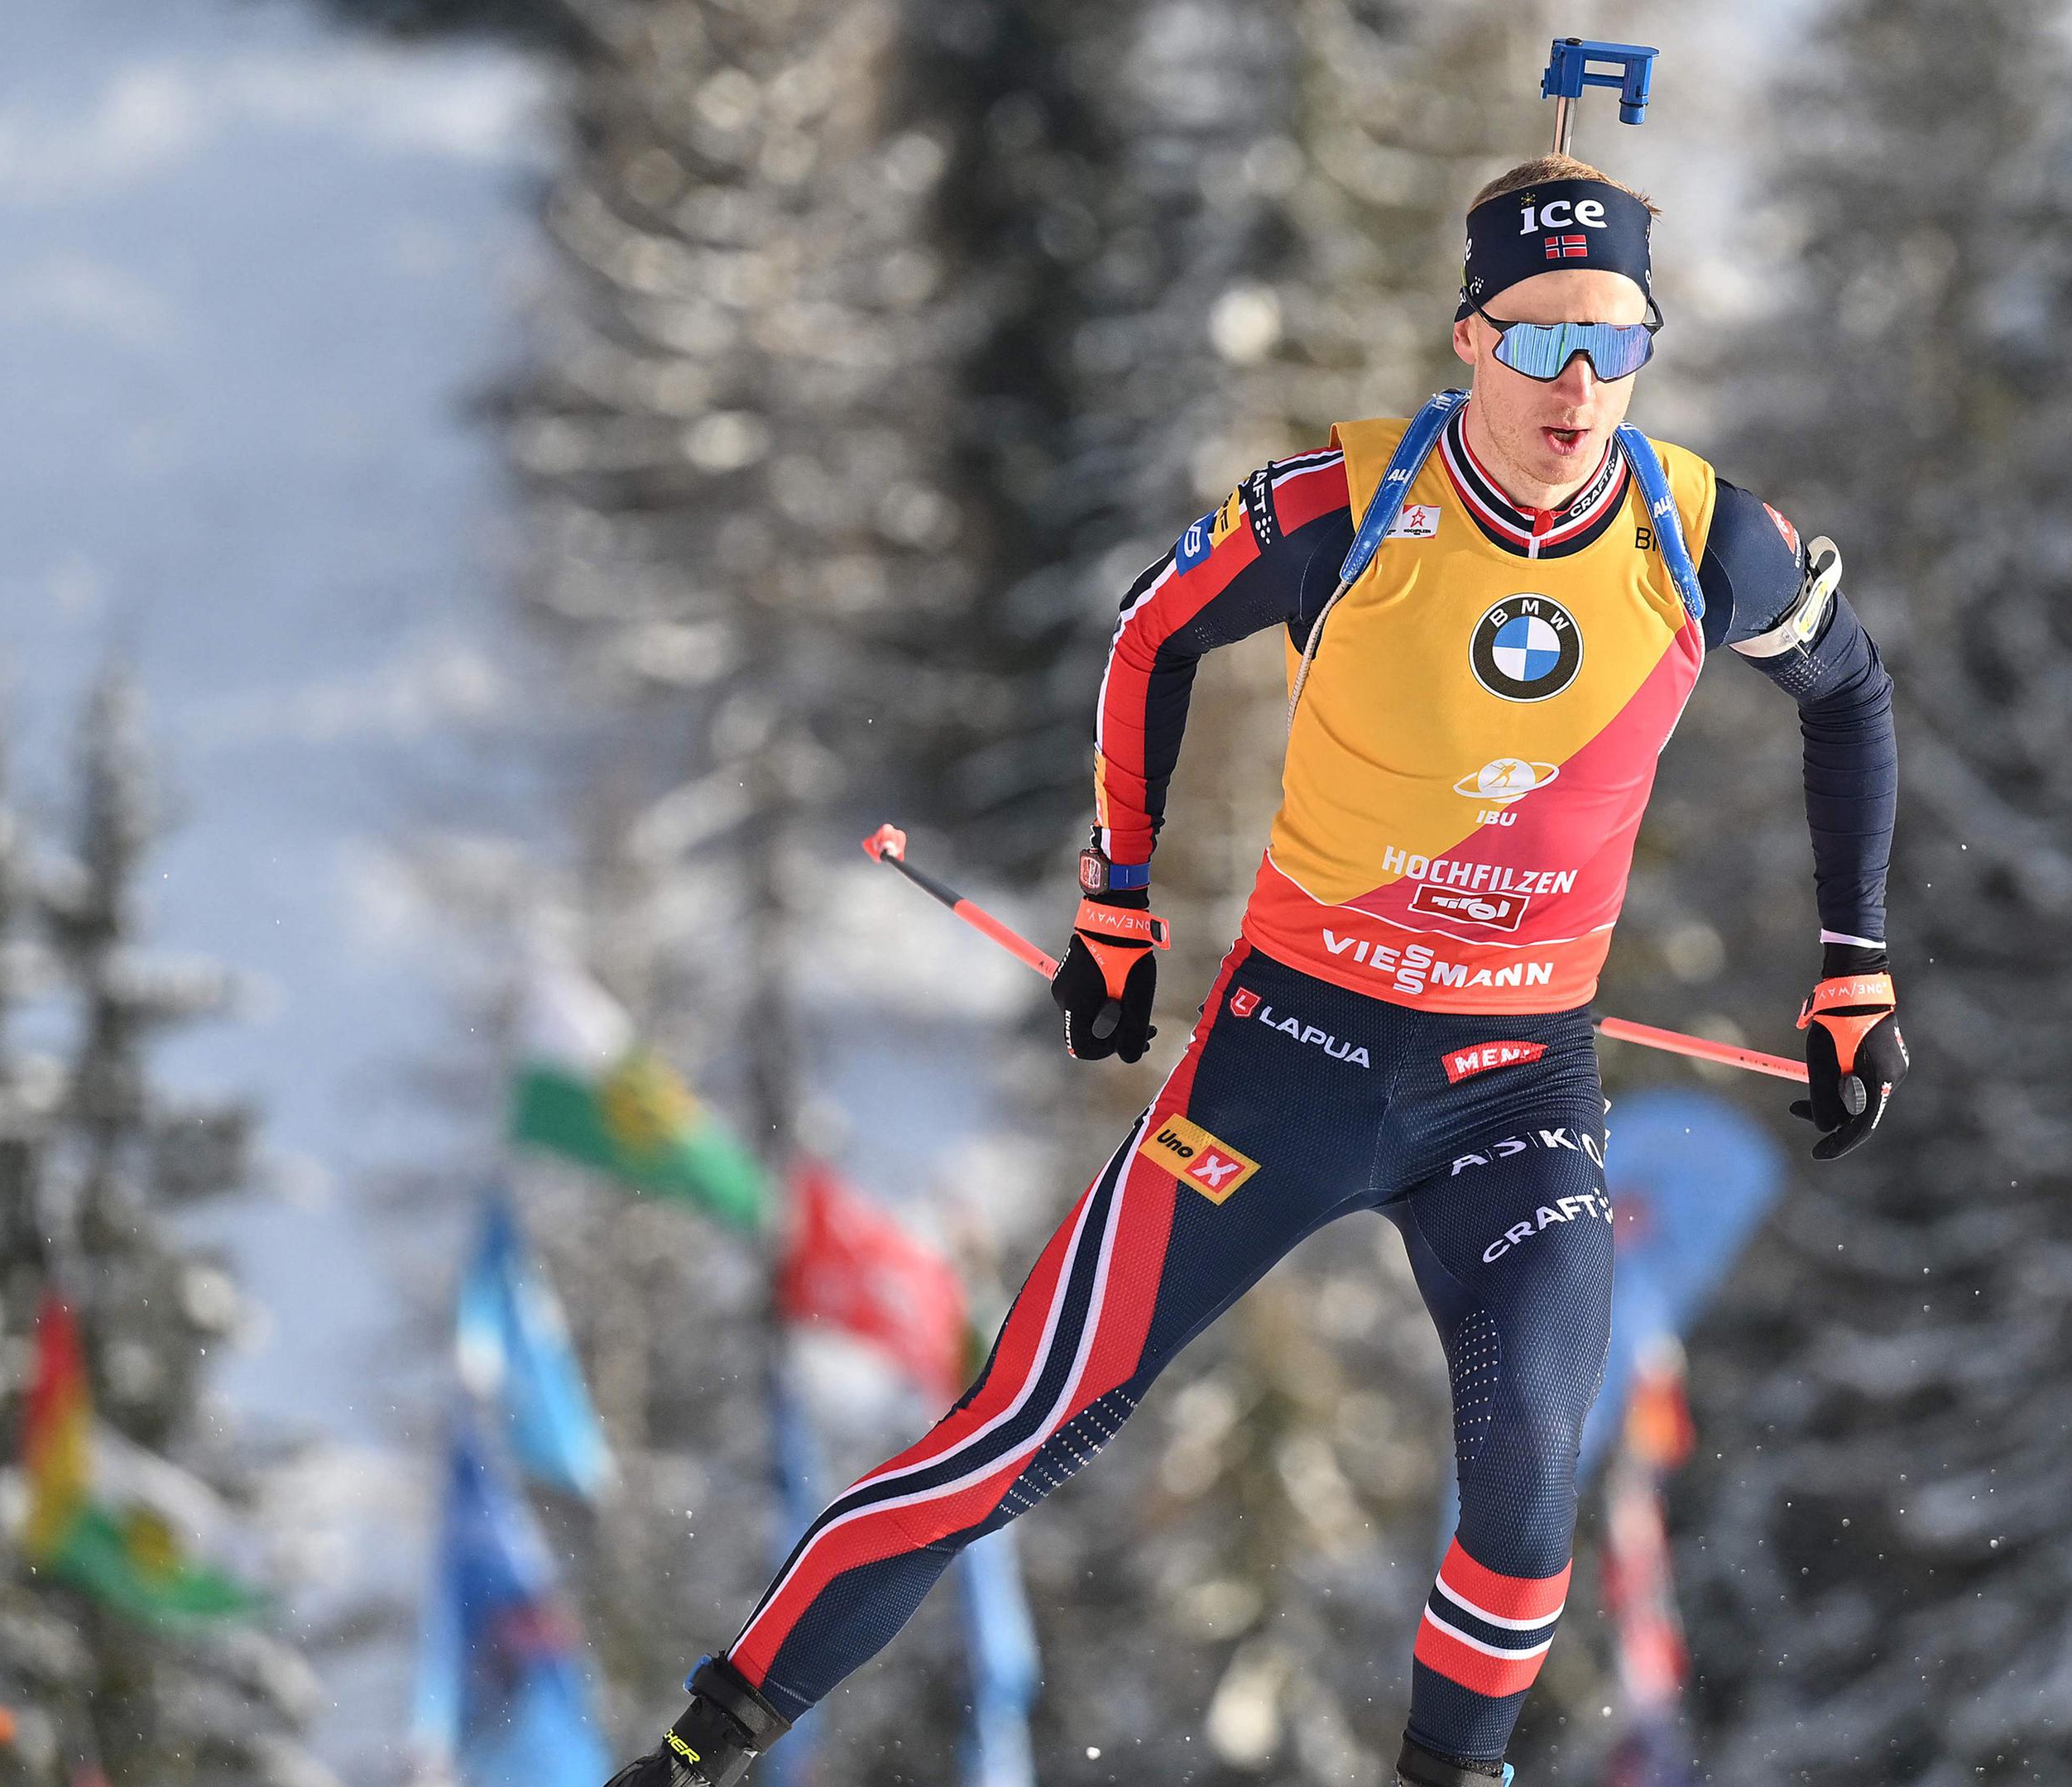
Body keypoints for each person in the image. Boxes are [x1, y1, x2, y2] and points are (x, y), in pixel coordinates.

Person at [604, 153, 1907, 1787]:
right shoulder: (1346, 507)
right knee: (1023, 1422)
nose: (1576, 390)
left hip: (1518, 1091)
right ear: (1465, 340)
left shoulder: (1702, 532)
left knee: (1525, 1461)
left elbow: (1847, 695)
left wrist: (1853, 968)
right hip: (1291, 1060)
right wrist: (1119, 900)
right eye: (1535, 344)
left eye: (1613, 345)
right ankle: (705, 1735)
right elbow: (1152, 632)